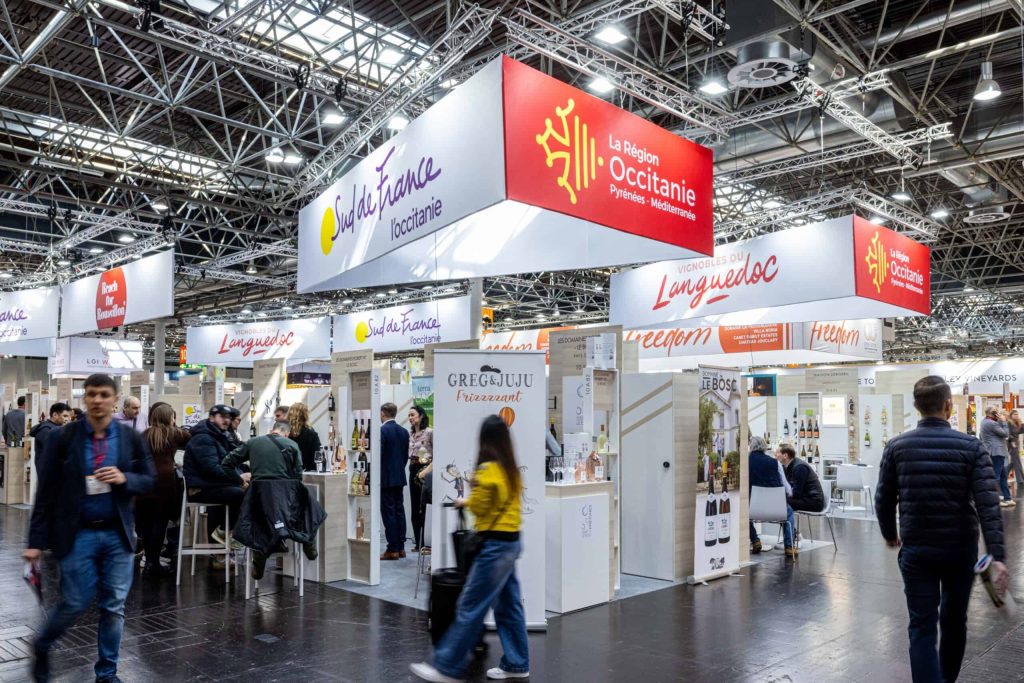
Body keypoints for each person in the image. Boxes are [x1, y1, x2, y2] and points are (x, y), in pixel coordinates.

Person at [875, 375, 1008, 683]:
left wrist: (889, 533)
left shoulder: (896, 446)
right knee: (954, 621)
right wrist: (997, 555)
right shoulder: (972, 447)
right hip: (959, 551)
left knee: (921, 626)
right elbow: (988, 505)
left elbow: (884, 497)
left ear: (916, 406)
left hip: (917, 550)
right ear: (948, 406)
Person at [24, 373, 155, 683]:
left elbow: (148, 479)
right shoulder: (63, 438)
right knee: (75, 601)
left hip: (117, 533)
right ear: (84, 398)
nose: (97, 400)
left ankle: (107, 673)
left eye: (104, 394)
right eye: (92, 394)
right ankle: (42, 644)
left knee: (114, 606)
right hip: (77, 533)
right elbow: (46, 492)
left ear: (115, 399)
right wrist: (35, 541)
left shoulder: (129, 438)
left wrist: (125, 478)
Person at [410, 415, 529, 682]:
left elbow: (481, 506)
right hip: (511, 542)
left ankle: (446, 666)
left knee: (470, 605)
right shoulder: (510, 468)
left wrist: (468, 498)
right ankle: (517, 662)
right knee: (509, 607)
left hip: (494, 546)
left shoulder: (487, 469)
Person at [222, 420, 319, 579]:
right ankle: (307, 540)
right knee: (306, 505)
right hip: (285, 501)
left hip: (258, 498)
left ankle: (260, 553)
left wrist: (240, 481)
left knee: (262, 520)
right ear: (286, 433)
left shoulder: (253, 442)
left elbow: (226, 463)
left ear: (272, 429)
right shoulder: (292, 444)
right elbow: (298, 476)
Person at [183, 404, 250, 550]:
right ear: (212, 418)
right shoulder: (203, 438)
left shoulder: (219, 436)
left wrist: (247, 472)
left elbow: (228, 463)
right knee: (241, 494)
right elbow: (211, 469)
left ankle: (226, 534)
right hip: (200, 488)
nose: (226, 420)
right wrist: (239, 478)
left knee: (247, 491)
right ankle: (226, 532)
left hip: (212, 485)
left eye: (228, 417)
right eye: (222, 417)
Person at [137, 403, 190, 579]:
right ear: (170, 417)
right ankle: (153, 564)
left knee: (146, 524)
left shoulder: (144, 434)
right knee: (160, 523)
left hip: (144, 482)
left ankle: (149, 562)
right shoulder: (174, 433)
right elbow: (193, 438)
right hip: (165, 482)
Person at [747, 436, 792, 556]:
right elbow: (786, 486)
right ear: (764, 447)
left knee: (743, 512)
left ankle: (755, 540)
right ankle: (789, 547)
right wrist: (790, 494)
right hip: (776, 508)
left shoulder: (746, 462)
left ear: (751, 447)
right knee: (789, 512)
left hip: (754, 508)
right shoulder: (775, 462)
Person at [380, 402, 410, 560]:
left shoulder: (382, 431)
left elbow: (379, 456)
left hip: (386, 478)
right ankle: (401, 547)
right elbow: (405, 457)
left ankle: (392, 549)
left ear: (382, 413)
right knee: (399, 511)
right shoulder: (404, 432)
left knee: (389, 513)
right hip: (399, 477)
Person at [408, 405, 433, 551]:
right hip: (413, 468)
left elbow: (437, 454)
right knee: (414, 506)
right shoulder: (410, 434)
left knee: (424, 506)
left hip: (425, 470)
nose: (410, 418)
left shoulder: (429, 432)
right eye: (409, 415)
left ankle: (427, 542)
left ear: (421, 416)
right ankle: (419, 542)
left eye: (413, 415)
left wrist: (427, 470)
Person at [979, 406, 1014, 506]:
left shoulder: (984, 421)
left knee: (1003, 476)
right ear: (993, 413)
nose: (999, 413)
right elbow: (1005, 434)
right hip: (997, 452)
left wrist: (999, 421)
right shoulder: (992, 423)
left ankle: (1007, 498)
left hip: (993, 451)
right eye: (997, 412)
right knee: (996, 477)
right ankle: (996, 500)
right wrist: (1003, 421)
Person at [777, 444, 825, 515]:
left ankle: (788, 522)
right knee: (779, 500)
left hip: (813, 502)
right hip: (805, 499)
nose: (775, 455)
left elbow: (796, 493)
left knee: (780, 502)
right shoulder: (788, 466)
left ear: (785, 455)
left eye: (778, 452)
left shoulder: (799, 468)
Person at [287, 403, 322, 471]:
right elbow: (317, 455)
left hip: (287, 472)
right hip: (306, 471)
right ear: (305, 416)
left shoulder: (285, 433)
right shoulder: (311, 434)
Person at [1007, 409, 1024, 499]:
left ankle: (1004, 476)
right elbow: (1008, 434)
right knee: (1016, 461)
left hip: (1016, 444)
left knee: (1014, 462)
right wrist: (1012, 442)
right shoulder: (1009, 423)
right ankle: (1020, 480)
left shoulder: (1018, 423)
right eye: (1015, 414)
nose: (1017, 415)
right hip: (1011, 444)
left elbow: (1021, 430)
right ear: (1011, 415)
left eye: (1017, 414)